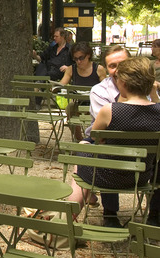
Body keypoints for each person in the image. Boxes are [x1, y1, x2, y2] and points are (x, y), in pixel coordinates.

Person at [68, 57, 160, 227]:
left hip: (107, 177)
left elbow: (96, 138)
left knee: (84, 146)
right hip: (141, 178)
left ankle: (68, 216)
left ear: (123, 83)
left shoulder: (110, 110)